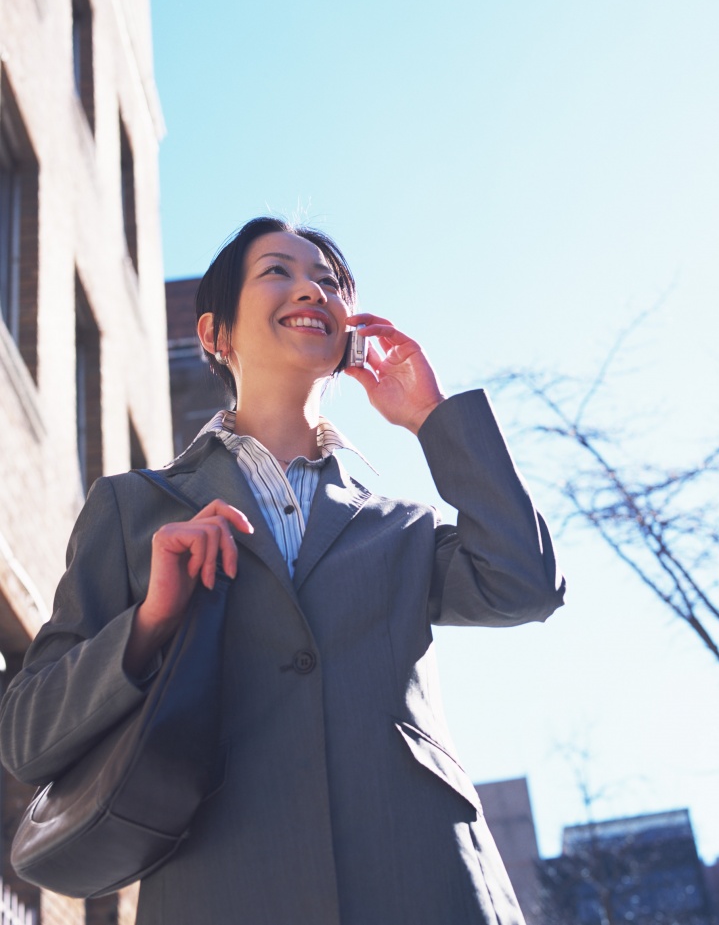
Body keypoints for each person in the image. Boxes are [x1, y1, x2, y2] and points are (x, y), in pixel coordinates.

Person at [0, 216, 565, 925]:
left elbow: (526, 582)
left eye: (329, 280)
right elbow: (26, 736)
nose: (312, 288)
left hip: (426, 882)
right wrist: (147, 625)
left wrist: (433, 418)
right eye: (278, 271)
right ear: (215, 335)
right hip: (220, 889)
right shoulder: (134, 509)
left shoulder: (402, 527)